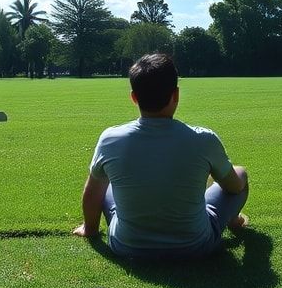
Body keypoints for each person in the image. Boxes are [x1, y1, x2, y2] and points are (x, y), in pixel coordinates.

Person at [72, 53, 249, 259]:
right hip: (195, 246)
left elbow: (92, 193)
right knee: (240, 173)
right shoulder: (204, 140)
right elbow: (234, 187)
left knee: (103, 183)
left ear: (134, 97)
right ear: (176, 95)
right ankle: (233, 221)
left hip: (127, 246)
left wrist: (90, 229)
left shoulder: (110, 139)